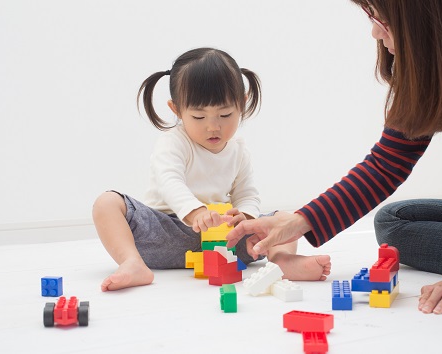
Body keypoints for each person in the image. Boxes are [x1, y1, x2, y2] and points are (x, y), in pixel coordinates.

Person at [226, 0, 442, 315]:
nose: (375, 32)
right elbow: (386, 165)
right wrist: (299, 220)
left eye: (381, 19)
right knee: (394, 222)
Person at [92, 47, 331, 292]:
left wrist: (246, 218)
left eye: (225, 114)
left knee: (284, 218)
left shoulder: (238, 149)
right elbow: (170, 181)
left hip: (226, 241)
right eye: (198, 117)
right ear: (176, 110)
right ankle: (132, 262)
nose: (213, 127)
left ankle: (281, 261)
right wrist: (196, 213)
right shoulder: (174, 142)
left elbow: (247, 193)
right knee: (107, 202)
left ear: (242, 104)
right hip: (169, 232)